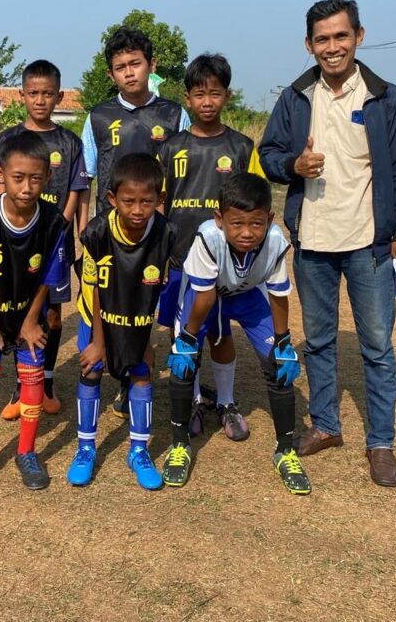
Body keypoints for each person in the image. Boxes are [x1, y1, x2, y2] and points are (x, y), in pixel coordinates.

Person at [258, 0, 396, 488]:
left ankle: (381, 443)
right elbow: (268, 153)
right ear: (309, 45)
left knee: (377, 346)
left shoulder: (385, 98)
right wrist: (293, 165)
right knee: (319, 341)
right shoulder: (296, 97)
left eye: (341, 36)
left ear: (359, 36)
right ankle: (326, 426)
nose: (333, 47)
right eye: (322, 39)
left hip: (370, 243)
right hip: (313, 241)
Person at [163, 174, 310, 494]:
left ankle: (285, 451)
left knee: (280, 363)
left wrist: (284, 341)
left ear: (269, 219)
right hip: (203, 296)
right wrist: (187, 338)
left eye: (256, 223)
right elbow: (204, 298)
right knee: (184, 360)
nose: (247, 233)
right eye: (237, 223)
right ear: (219, 219)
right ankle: (179, 445)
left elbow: (278, 294)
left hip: (247, 296)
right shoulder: (207, 238)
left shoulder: (274, 240)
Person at [80, 26, 190, 416]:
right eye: (120, 67)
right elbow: (86, 177)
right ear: (111, 74)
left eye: (135, 63)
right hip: (110, 239)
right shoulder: (98, 116)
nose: (129, 72)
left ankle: (178, 391)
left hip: (156, 239)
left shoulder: (174, 114)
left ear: (151, 65)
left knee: (147, 312)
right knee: (107, 308)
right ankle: (113, 383)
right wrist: (83, 230)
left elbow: (183, 176)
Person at [157, 53, 264, 442]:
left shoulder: (242, 147)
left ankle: (227, 402)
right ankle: (194, 400)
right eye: (199, 94)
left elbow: (258, 202)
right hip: (180, 262)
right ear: (187, 98)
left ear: (227, 96)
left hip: (227, 267)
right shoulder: (170, 148)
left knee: (220, 334)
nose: (207, 102)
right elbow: (159, 204)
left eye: (215, 93)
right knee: (186, 335)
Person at [0, 131, 69, 490]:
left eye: (35, 178)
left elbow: (49, 276)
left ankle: (26, 452)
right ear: (0, 174)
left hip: (29, 315)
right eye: (18, 177)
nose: (26, 187)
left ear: (47, 177)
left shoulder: (54, 221)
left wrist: (31, 320)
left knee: (33, 376)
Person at [0, 60, 89, 421]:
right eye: (33, 93)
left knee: (53, 315)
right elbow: (0, 189)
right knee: (17, 309)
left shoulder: (69, 142)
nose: (40, 100)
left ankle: (45, 381)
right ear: (22, 95)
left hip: (55, 242)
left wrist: (64, 228)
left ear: (59, 96)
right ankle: (21, 383)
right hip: (16, 245)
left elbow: (76, 190)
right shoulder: (7, 140)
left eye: (48, 93)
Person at [67, 153, 175, 491]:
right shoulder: (97, 232)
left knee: (141, 371)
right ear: (113, 199)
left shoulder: (165, 233)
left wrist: (146, 341)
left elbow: (153, 290)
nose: (138, 210)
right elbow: (94, 289)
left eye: (147, 202)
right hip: (98, 314)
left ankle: (139, 451)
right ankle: (86, 448)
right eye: (129, 201)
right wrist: (98, 342)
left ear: (160, 199)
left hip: (136, 315)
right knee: (92, 368)